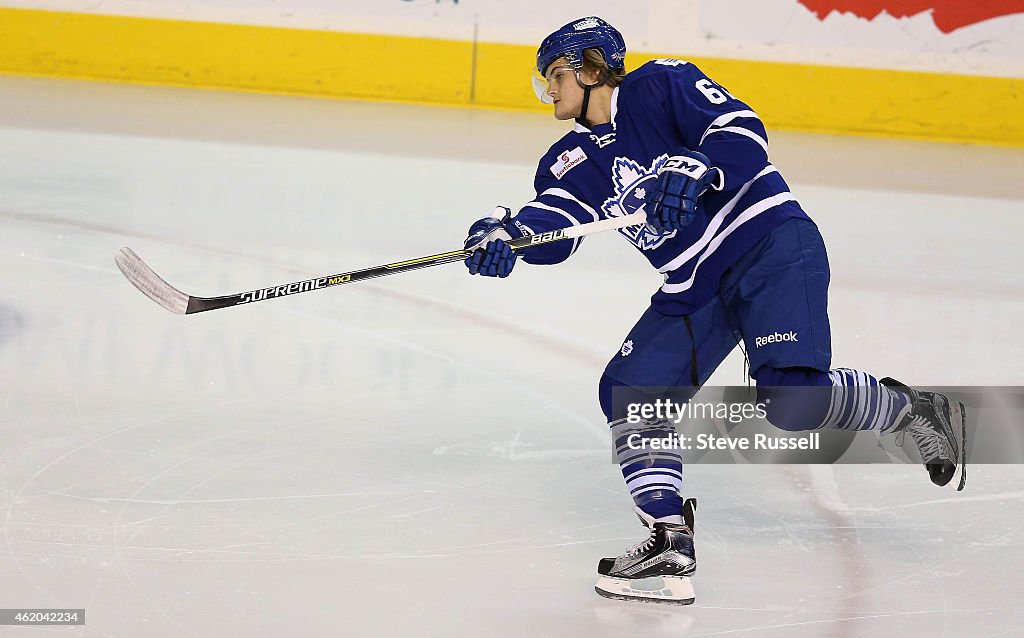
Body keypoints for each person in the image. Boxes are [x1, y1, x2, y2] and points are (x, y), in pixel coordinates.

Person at [462, 16, 968, 605]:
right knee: (630, 391)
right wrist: (505, 235)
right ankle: (669, 541)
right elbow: (556, 226)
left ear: (591, 67)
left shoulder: (659, 85)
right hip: (693, 286)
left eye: (554, 75)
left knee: (793, 402)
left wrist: (702, 167)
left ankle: (907, 409)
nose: (549, 90)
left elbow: (741, 129)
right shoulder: (567, 160)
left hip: (767, 244)